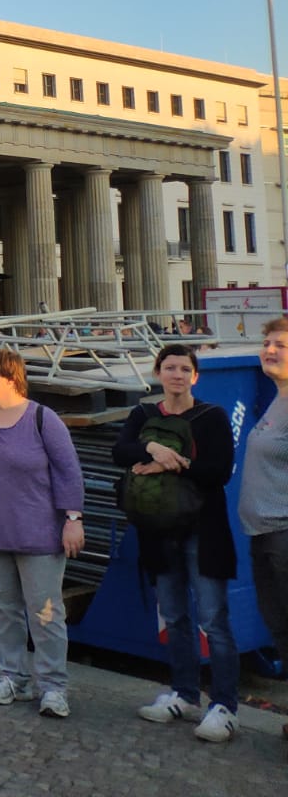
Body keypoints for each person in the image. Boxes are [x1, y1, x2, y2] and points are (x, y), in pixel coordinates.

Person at [113, 343, 240, 742]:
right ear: (157, 373)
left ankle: (225, 706)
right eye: (170, 368)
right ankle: (185, 694)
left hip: (204, 531)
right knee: (174, 616)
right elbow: (120, 450)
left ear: (195, 377)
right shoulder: (143, 414)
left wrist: (174, 464)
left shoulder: (213, 417)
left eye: (185, 369)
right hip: (159, 531)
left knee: (213, 621)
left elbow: (219, 470)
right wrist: (153, 447)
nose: (177, 375)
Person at [0, 348, 84, 718]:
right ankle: (13, 678)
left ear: (10, 378)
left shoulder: (43, 419)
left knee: (45, 613)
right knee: (3, 609)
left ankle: (54, 687)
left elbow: (68, 472)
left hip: (38, 534)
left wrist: (73, 517)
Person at [242, 318, 288, 743]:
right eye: (267, 342)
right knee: (281, 631)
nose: (270, 349)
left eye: (281, 345)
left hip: (282, 536)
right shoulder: (279, 400)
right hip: (265, 536)